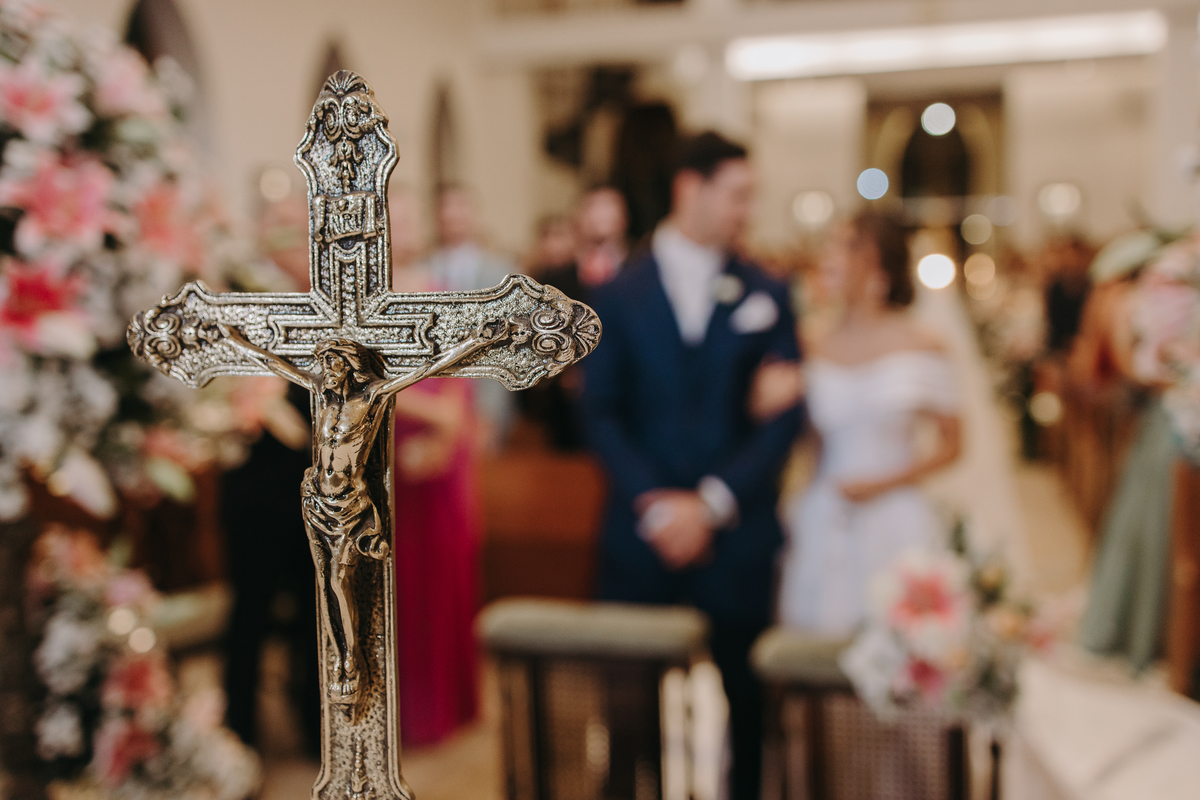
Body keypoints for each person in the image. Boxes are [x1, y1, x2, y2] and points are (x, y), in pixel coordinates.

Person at [579, 131, 802, 800]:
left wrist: (710, 503)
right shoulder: (618, 294)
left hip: (736, 535)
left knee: (752, 713)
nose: (746, 210)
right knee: (626, 717)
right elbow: (600, 412)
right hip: (638, 540)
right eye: (737, 195)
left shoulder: (767, 290)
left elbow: (783, 415)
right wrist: (656, 504)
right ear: (689, 189)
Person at [774, 212, 963, 635]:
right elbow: (810, 442)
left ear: (874, 263)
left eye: (842, 246)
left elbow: (953, 446)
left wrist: (885, 482)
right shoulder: (812, 343)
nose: (828, 259)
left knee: (895, 637)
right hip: (826, 507)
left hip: (896, 514)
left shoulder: (923, 344)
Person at [389, 190, 482, 745]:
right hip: (384, 461)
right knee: (393, 588)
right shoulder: (360, 304)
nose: (405, 224)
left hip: (439, 466)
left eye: (410, 214)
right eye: (393, 215)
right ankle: (396, 713)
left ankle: (444, 709)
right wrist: (426, 412)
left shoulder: (444, 297)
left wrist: (449, 436)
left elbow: (461, 386)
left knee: (440, 582)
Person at [1075, 231, 1178, 673]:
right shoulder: (1123, 301)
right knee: (1149, 527)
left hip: (1160, 416)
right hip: (1158, 419)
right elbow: (1126, 365)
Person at [423, 185, 517, 449]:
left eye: (460, 207)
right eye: (446, 208)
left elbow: (506, 347)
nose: (453, 215)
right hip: (435, 401)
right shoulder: (422, 269)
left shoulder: (501, 272)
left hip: (485, 397)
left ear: (472, 213)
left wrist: (490, 411)